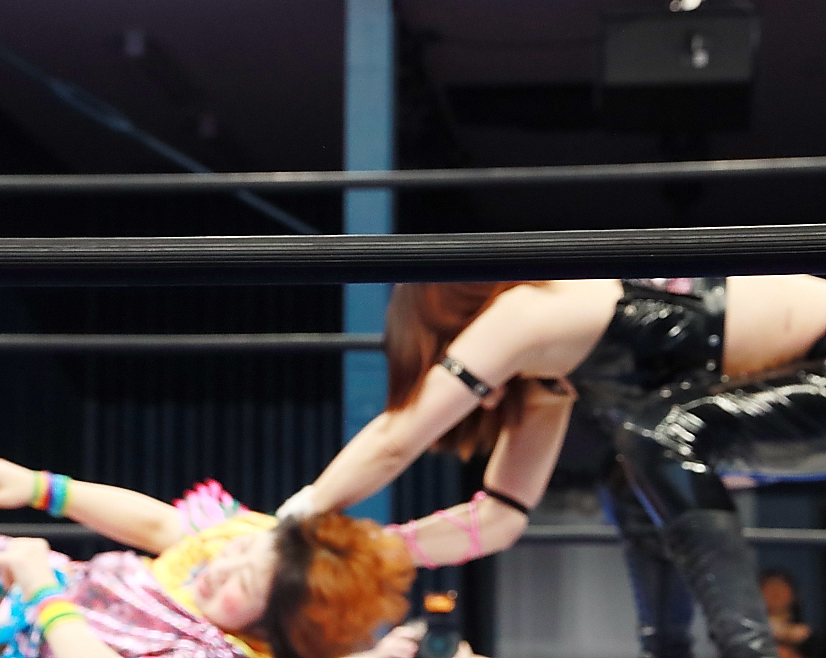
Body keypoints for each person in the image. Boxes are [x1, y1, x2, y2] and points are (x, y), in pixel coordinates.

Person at [278, 276, 826, 658]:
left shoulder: (522, 311)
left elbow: (397, 440)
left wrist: (297, 516)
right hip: (803, 386)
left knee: (659, 437)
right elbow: (501, 516)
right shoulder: (549, 369)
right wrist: (378, 550)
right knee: (631, 474)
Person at [0, 458, 416, 658]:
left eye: (246, 585)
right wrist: (42, 488)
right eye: (239, 552)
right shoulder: (260, 545)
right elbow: (165, 526)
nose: (221, 567)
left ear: (272, 629)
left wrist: (41, 591)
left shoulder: (216, 652)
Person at [760, 569, 826, 658]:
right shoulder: (750, 634)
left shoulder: (809, 637)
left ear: (794, 594)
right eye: (768, 587)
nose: (775, 591)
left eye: (781, 586)